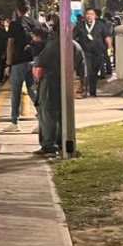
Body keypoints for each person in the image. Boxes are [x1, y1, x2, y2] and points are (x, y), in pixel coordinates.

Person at [32, 25, 83, 156]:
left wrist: (37, 82)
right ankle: (61, 141)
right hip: (67, 82)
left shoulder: (52, 46)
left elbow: (39, 66)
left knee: (48, 113)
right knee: (63, 113)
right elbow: (82, 68)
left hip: (50, 82)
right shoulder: (76, 46)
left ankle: (49, 144)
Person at [5, 0, 38, 128]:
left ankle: (14, 122)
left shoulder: (15, 24)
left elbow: (10, 45)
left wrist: (8, 64)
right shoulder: (35, 23)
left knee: (16, 92)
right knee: (32, 90)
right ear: (29, 9)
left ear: (17, 10)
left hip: (18, 62)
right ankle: (42, 116)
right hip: (32, 60)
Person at [73, 8, 107, 97]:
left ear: (95, 16)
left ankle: (93, 91)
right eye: (88, 14)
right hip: (85, 52)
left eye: (92, 14)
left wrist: (110, 47)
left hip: (97, 52)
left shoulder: (101, 26)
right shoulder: (79, 26)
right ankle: (85, 90)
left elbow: (106, 37)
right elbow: (73, 37)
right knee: (85, 71)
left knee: (94, 72)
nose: (89, 16)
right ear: (85, 15)